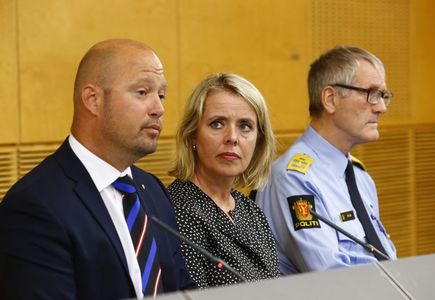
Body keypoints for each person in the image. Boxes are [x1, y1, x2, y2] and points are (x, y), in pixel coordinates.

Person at [0, 39, 195, 299]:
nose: (159, 109)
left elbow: (182, 290)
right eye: (142, 92)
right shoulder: (35, 205)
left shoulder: (153, 190)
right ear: (93, 100)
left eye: (161, 95)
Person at [256, 45, 397, 274]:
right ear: (330, 99)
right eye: (371, 94)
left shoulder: (360, 177)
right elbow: (331, 278)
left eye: (383, 96)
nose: (381, 107)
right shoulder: (293, 178)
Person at [167, 72, 280, 288]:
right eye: (217, 124)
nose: (232, 137)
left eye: (245, 126)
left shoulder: (249, 209)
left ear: (259, 140)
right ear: (192, 135)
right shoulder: (178, 211)